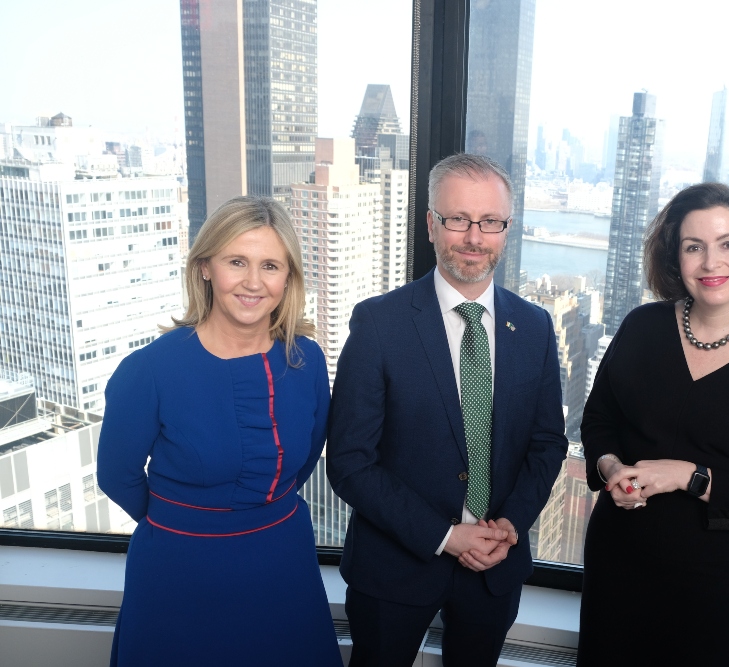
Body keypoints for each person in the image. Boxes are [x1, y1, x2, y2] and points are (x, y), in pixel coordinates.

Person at [327, 153, 568, 666]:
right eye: (458, 219)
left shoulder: (535, 328)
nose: (475, 237)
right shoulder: (378, 325)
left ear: (507, 229)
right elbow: (350, 462)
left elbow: (548, 444)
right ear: (432, 225)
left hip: (496, 567)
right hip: (394, 568)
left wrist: (510, 525)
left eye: (491, 222)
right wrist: (446, 537)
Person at [577, 183, 729, 666]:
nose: (712, 263)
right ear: (676, 260)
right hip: (617, 562)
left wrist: (690, 476)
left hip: (709, 585)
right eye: (694, 247)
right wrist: (610, 468)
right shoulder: (642, 327)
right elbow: (599, 421)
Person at [97, 196, 342, 666]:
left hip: (283, 561)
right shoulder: (149, 369)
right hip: (180, 569)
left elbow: (307, 455)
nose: (253, 282)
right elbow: (116, 474)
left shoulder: (306, 358)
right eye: (236, 262)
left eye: (270, 265)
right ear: (206, 267)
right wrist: (183, 519)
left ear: (287, 276)